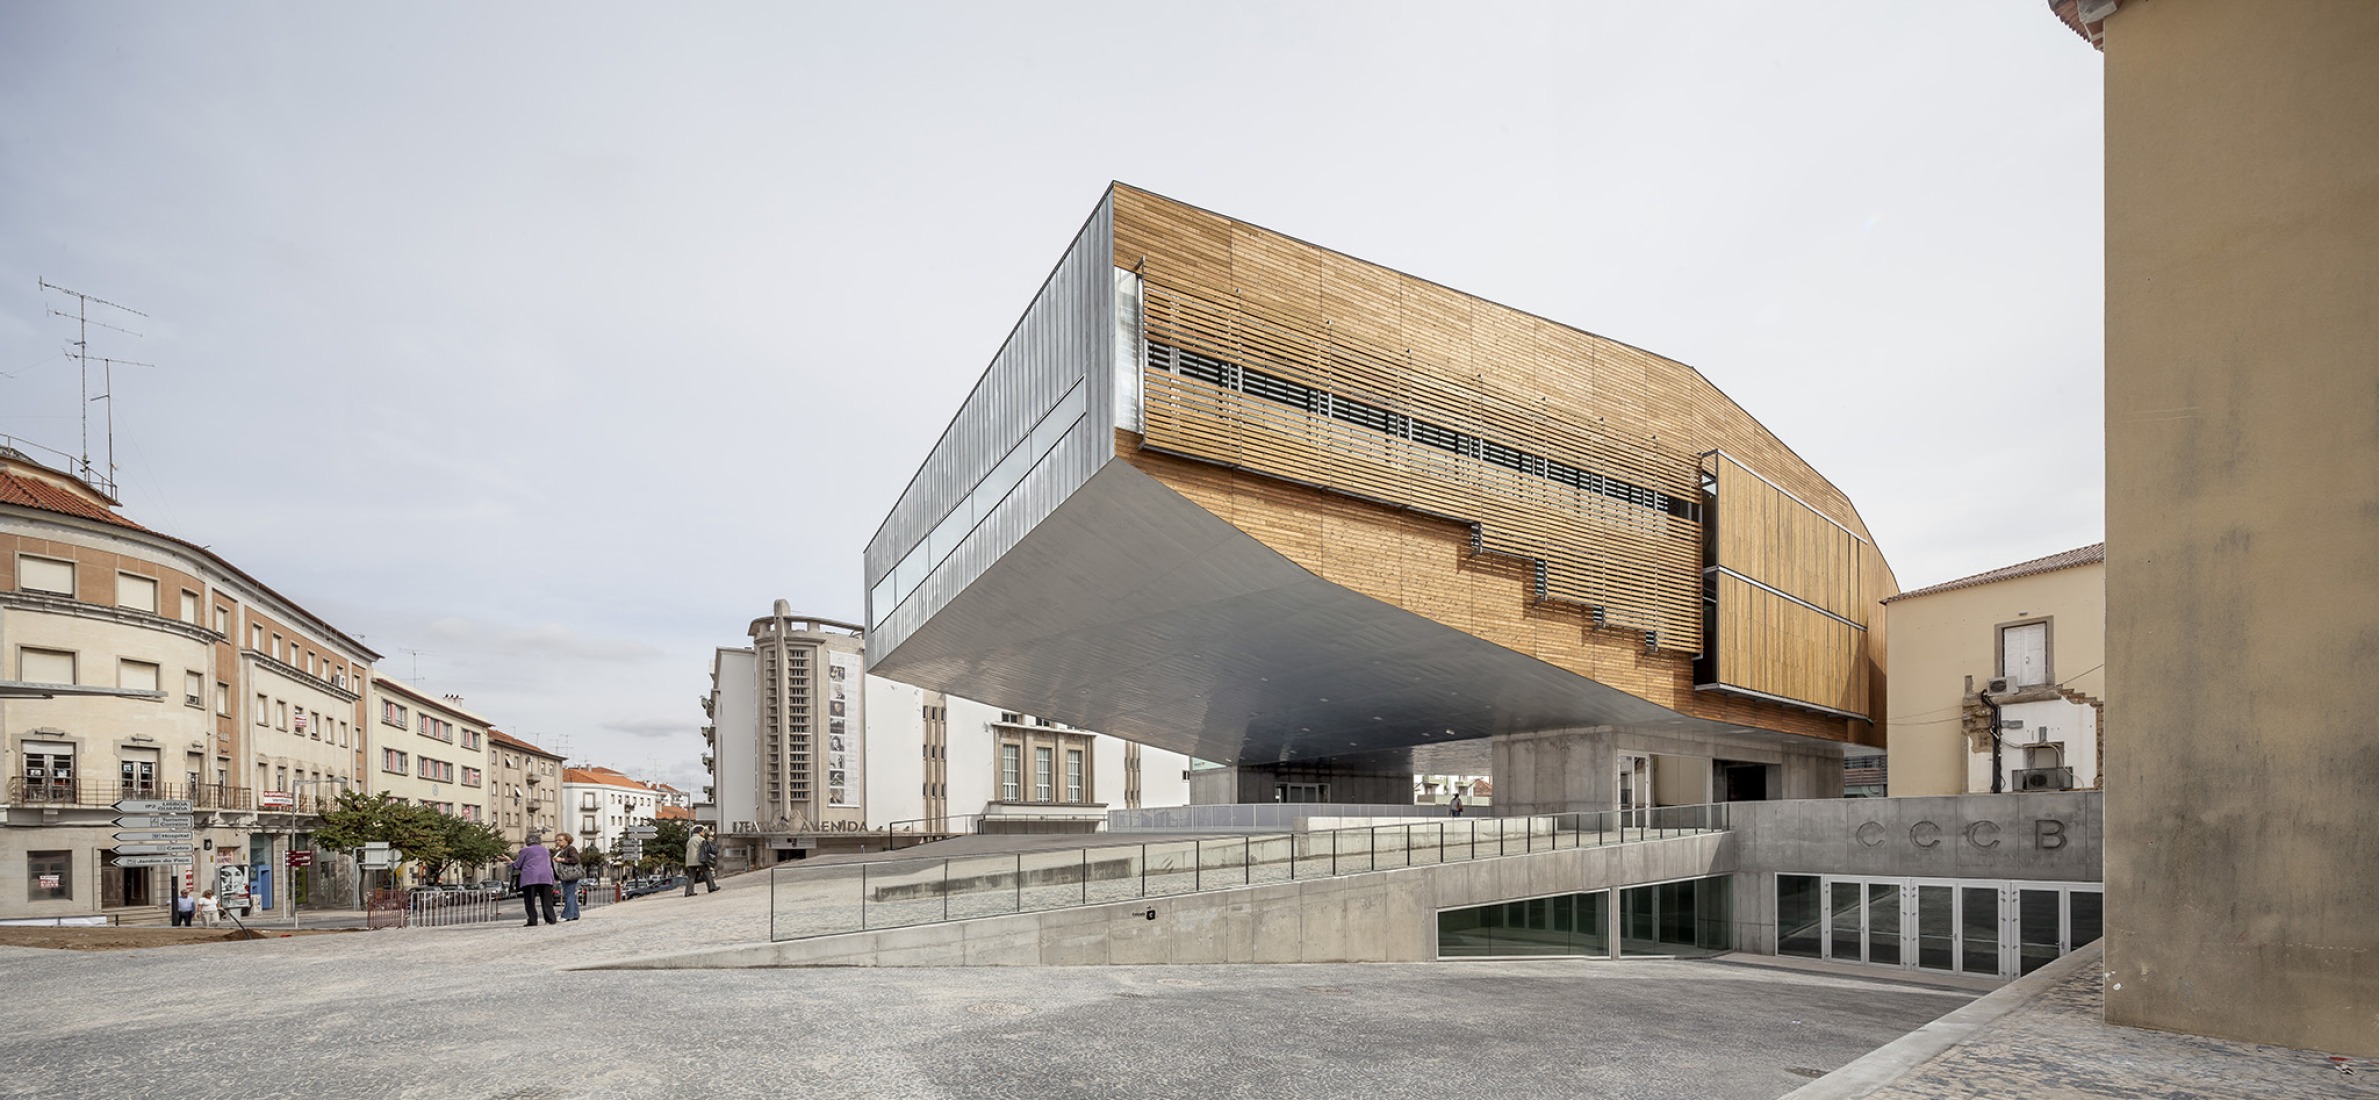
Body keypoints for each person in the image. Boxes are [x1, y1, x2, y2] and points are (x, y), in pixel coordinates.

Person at [510, 832, 558, 926]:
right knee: (546, 900)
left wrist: (509, 861)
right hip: (546, 877)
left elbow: (517, 865)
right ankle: (550, 919)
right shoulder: (545, 850)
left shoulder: (525, 851)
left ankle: (532, 920)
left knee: (530, 901)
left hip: (530, 877)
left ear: (527, 842)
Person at [552, 832, 584, 921]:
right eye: (556, 840)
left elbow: (576, 859)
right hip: (564, 875)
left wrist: (562, 859)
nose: (558, 842)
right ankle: (575, 914)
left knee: (569, 894)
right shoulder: (560, 851)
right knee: (570, 895)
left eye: (560, 840)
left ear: (567, 841)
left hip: (570, 875)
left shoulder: (570, 849)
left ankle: (567, 915)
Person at [683, 826, 720, 896]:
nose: (703, 833)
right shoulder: (700, 839)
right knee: (707, 872)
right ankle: (711, 887)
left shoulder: (690, 840)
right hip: (699, 860)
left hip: (690, 861)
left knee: (691, 876)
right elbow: (707, 847)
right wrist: (710, 841)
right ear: (700, 832)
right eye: (703, 831)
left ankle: (689, 891)